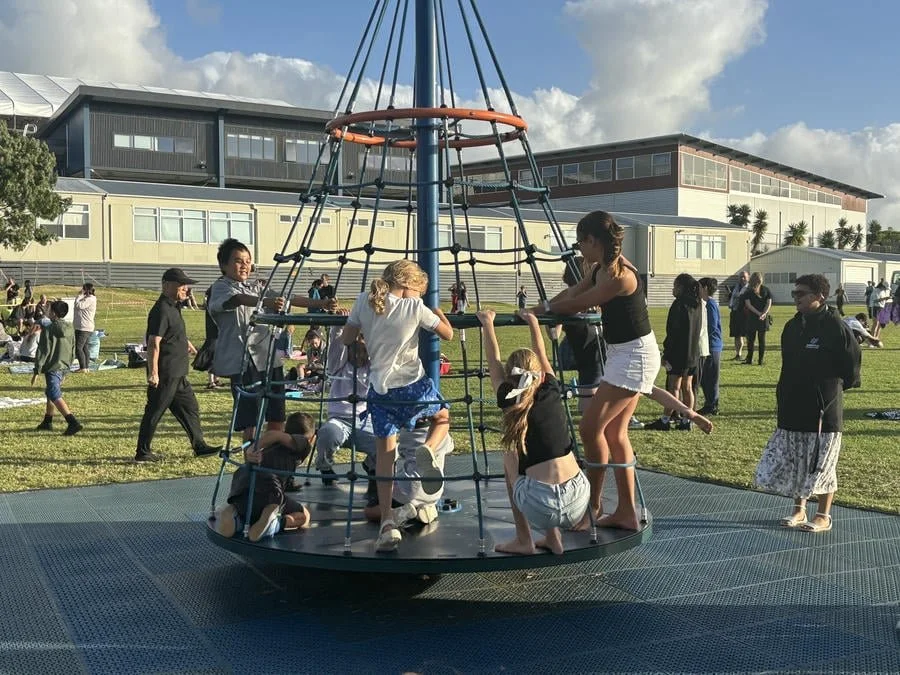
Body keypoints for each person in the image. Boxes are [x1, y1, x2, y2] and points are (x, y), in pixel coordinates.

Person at [535, 210, 660, 531]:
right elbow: (573, 293)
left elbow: (582, 302)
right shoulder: (599, 270)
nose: (579, 249)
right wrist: (545, 306)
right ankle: (626, 512)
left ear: (593, 241)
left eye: (581, 243)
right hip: (624, 353)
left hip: (635, 355)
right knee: (615, 434)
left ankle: (593, 506)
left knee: (591, 430)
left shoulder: (621, 276)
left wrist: (544, 311)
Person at [342, 259, 453, 551]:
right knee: (442, 417)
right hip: (412, 386)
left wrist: (364, 331)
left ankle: (388, 523)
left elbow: (347, 337)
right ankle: (428, 448)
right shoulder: (415, 308)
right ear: (408, 286)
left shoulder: (363, 302)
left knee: (385, 457)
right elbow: (447, 333)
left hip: (380, 391)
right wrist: (439, 313)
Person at [755, 274, 860, 533]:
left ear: (819, 296)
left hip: (824, 409)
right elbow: (787, 365)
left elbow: (852, 368)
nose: (795, 298)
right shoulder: (793, 326)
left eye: (800, 294)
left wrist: (829, 391)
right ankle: (799, 511)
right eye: (794, 294)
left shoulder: (835, 326)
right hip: (793, 405)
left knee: (822, 464)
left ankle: (823, 515)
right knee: (798, 461)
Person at [478, 308, 589, 555]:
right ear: (538, 373)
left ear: (510, 376)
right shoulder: (550, 386)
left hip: (541, 504)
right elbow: (541, 352)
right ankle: (553, 539)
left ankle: (524, 539)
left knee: (509, 457)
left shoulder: (508, 396)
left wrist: (487, 324)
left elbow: (493, 361)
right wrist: (533, 323)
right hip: (579, 497)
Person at [208, 238, 335, 442]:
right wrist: (265, 302)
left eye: (248, 261)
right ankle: (251, 457)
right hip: (243, 361)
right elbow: (237, 300)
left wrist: (322, 303)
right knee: (250, 418)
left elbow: (289, 297)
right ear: (223, 265)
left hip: (268, 358)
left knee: (277, 413)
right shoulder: (221, 287)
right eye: (238, 261)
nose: (245, 265)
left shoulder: (255, 288)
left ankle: (271, 454)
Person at [135, 268, 222, 462]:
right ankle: (143, 452)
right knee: (154, 412)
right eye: (181, 284)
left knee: (190, 408)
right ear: (166, 285)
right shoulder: (161, 310)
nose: (186, 288)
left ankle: (199, 446)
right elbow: (153, 342)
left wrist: (190, 347)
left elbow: (174, 334)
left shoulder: (175, 307)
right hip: (166, 373)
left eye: (186, 285)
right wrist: (154, 373)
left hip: (179, 372)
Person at [214, 411, 315, 542]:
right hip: (269, 486)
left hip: (242, 482)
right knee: (304, 516)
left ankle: (235, 517)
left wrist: (255, 448)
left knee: (246, 508)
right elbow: (274, 434)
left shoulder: (275, 447)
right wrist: (253, 448)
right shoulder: (303, 444)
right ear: (312, 438)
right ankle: (274, 522)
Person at [315, 312, 376, 486]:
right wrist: (339, 325)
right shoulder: (338, 366)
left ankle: (372, 467)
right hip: (339, 420)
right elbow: (337, 345)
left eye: (363, 351)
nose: (358, 356)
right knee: (327, 434)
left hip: (365, 420)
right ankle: (325, 467)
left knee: (386, 445)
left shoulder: (373, 367)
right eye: (354, 351)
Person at [362, 417, 454, 527]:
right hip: (435, 491)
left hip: (407, 490)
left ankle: (397, 513)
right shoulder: (442, 434)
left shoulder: (406, 435)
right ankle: (425, 506)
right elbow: (450, 446)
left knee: (369, 511)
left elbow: (390, 454)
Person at [646, 274, 702, 431]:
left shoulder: (678, 305)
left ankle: (665, 420)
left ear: (681, 288)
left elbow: (673, 332)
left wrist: (666, 354)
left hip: (678, 353)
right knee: (688, 387)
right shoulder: (697, 305)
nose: (673, 289)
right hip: (693, 353)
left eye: (675, 286)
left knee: (674, 387)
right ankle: (686, 421)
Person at [32, 300, 83, 436]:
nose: (47, 311)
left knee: (54, 394)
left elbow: (43, 350)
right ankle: (48, 421)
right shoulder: (70, 327)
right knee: (50, 391)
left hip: (53, 367)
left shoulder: (48, 329)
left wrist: (37, 370)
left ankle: (72, 422)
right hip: (65, 365)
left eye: (49, 309)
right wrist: (68, 365)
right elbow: (73, 347)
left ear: (53, 313)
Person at [698, 278, 723, 415]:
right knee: (705, 377)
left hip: (712, 345)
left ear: (706, 288)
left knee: (711, 377)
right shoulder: (705, 304)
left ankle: (712, 405)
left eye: (699, 287)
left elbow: (712, 326)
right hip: (707, 345)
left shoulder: (710, 304)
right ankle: (710, 403)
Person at [743, 272, 772, 366]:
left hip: (752, 317)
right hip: (763, 318)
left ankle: (749, 359)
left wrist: (758, 313)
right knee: (761, 339)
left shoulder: (748, 292)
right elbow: (769, 303)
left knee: (751, 340)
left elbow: (748, 305)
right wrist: (764, 313)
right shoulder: (766, 290)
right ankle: (760, 360)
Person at [73, 283, 97, 373]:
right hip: (83, 326)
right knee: (84, 347)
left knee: (78, 348)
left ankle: (83, 367)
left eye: (83, 289)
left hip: (84, 327)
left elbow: (79, 306)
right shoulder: (87, 299)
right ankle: (86, 367)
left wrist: (79, 296)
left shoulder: (90, 299)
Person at [728, 270, 749, 360]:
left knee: (748, 335)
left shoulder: (750, 289)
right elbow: (730, 299)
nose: (742, 278)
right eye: (741, 277)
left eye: (744, 276)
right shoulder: (734, 288)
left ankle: (749, 354)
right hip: (735, 312)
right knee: (737, 335)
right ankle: (738, 354)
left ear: (748, 277)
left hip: (745, 314)